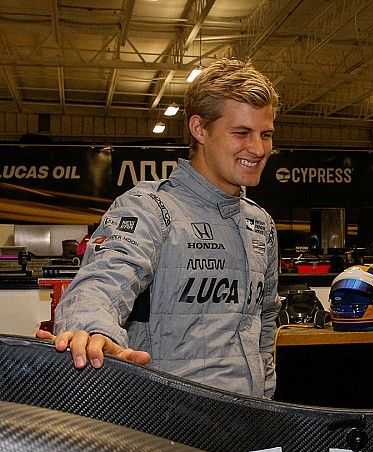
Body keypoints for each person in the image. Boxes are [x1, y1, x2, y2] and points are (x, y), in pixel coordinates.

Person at [36, 58, 282, 398]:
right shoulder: (149, 208)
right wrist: (90, 330)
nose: (257, 149)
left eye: (265, 135)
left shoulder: (261, 224)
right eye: (241, 133)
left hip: (250, 420)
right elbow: (102, 283)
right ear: (199, 129)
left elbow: (265, 321)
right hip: (171, 425)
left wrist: (266, 395)